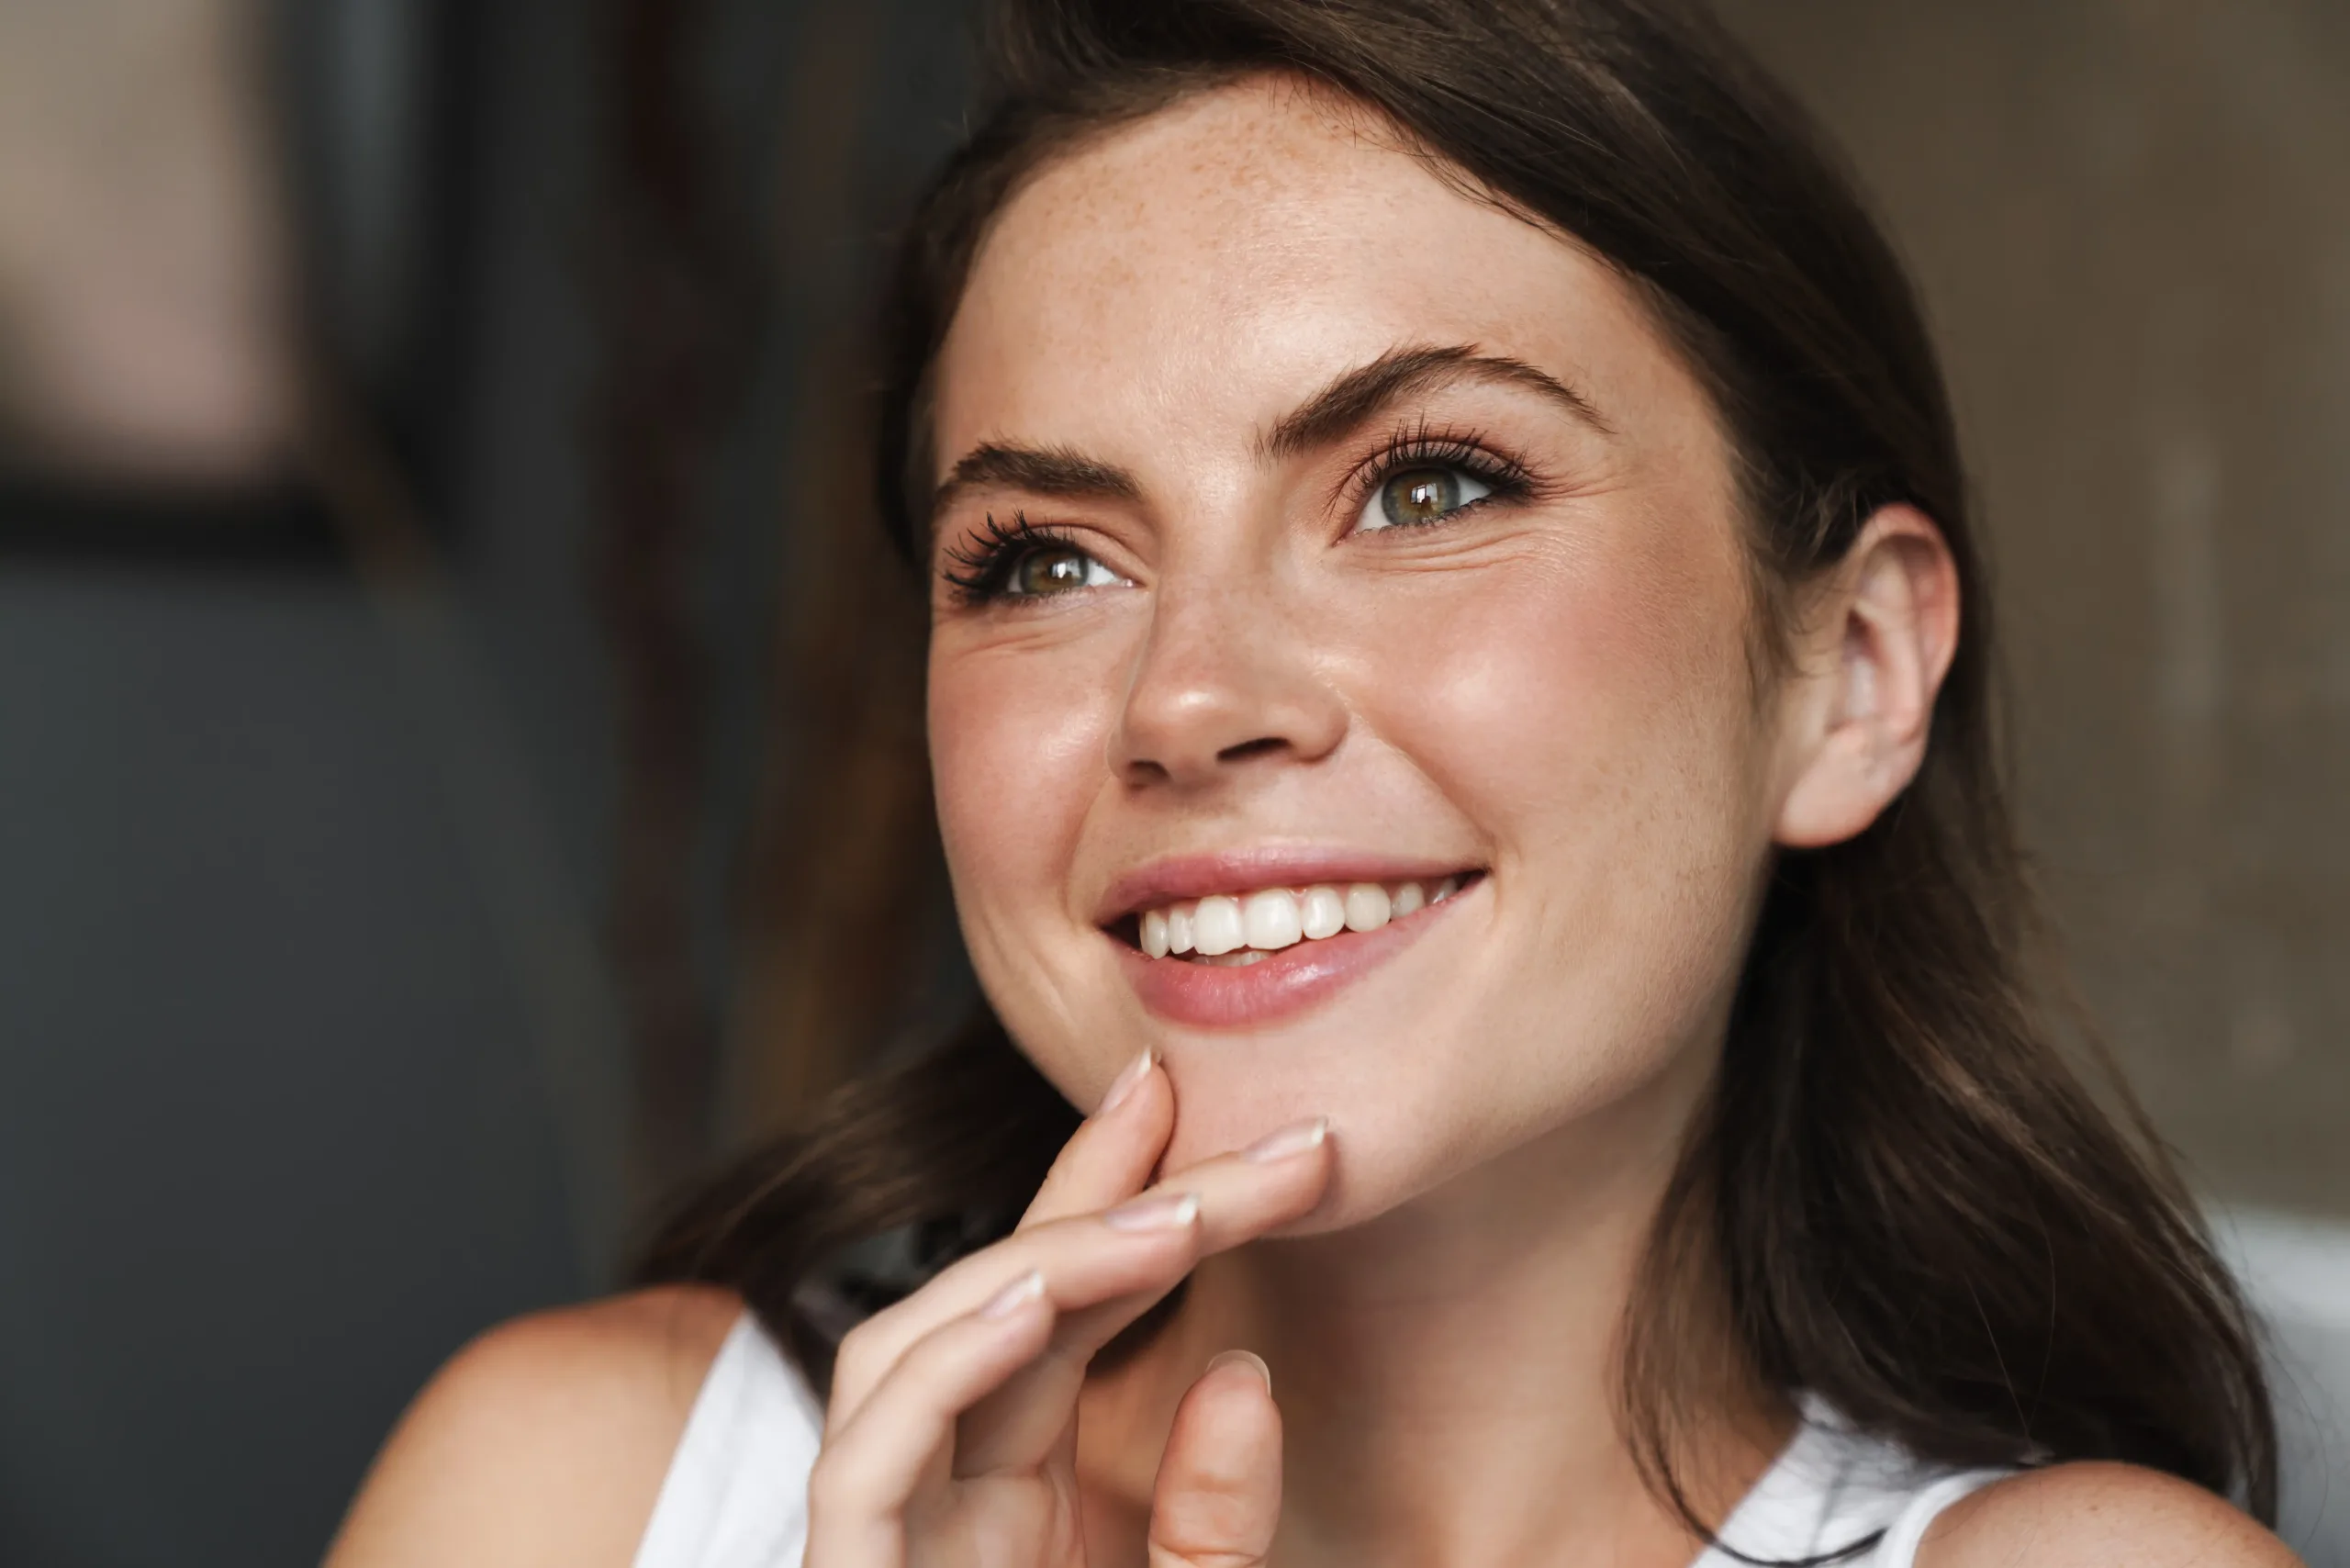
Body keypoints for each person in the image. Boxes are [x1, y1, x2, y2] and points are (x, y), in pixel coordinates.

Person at [326, 3, 2303, 1565]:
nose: (1185, 696)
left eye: (1430, 483)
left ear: (1848, 673)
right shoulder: (588, 1490)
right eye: (1042, 559)